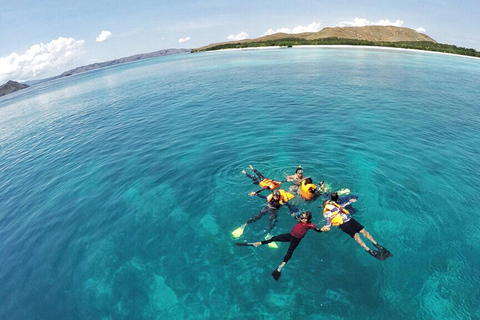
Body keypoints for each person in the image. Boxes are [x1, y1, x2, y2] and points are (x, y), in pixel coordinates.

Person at [236, 211, 322, 280]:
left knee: (290, 251)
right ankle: (258, 244)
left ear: (306, 219)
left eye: (302, 217)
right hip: (290, 235)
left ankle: (280, 267)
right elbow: (295, 215)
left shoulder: (310, 225)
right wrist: (293, 213)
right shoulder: (300, 220)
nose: (300, 218)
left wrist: (322, 229)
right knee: (275, 238)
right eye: (301, 216)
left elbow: (317, 229)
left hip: (296, 239)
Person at [320, 195, 392, 260]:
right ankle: (368, 249)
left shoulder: (336, 206)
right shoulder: (327, 213)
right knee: (356, 236)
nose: (331, 202)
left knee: (363, 231)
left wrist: (350, 201)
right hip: (343, 225)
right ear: (326, 205)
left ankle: (375, 243)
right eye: (329, 202)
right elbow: (328, 223)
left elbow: (343, 205)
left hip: (350, 220)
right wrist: (326, 227)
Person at [232, 189, 296, 240]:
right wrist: (256, 194)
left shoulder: (282, 200)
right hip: (267, 208)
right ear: (273, 195)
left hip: (274, 211)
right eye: (275, 196)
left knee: (272, 221)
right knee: (257, 216)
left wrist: (292, 212)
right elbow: (263, 197)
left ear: (279, 196)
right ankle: (244, 225)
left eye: (277, 196)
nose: (276, 198)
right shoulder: (270, 198)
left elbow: (289, 206)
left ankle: (269, 234)